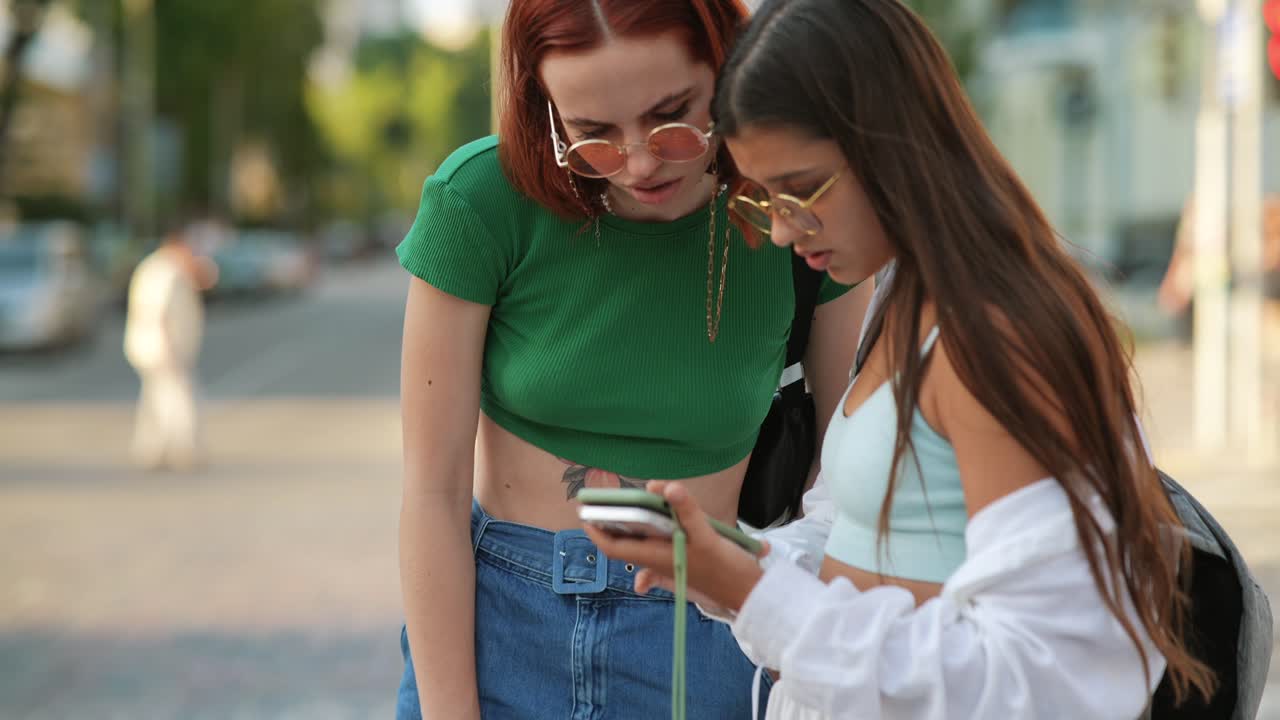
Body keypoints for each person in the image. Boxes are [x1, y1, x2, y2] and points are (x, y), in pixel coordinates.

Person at [585, 1, 1217, 717]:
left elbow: (1048, 677)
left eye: (802, 190)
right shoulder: (903, 293)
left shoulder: (995, 336)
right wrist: (723, 557)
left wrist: (753, 592)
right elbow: (859, 528)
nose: (786, 230)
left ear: (893, 142)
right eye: (764, 201)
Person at [394, 1, 872, 718]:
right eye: (593, 136)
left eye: (672, 116)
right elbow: (431, 494)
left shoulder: (797, 207)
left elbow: (846, 479)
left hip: (711, 635)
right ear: (545, 110)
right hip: (499, 628)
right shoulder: (481, 200)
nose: (642, 161)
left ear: (726, 64)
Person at [123, 225, 215, 471]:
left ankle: (150, 450)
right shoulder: (165, 272)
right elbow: (158, 311)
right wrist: (166, 346)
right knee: (179, 398)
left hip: (153, 347)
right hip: (162, 348)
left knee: (156, 398)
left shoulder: (160, 267)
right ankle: (185, 450)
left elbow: (204, 281)